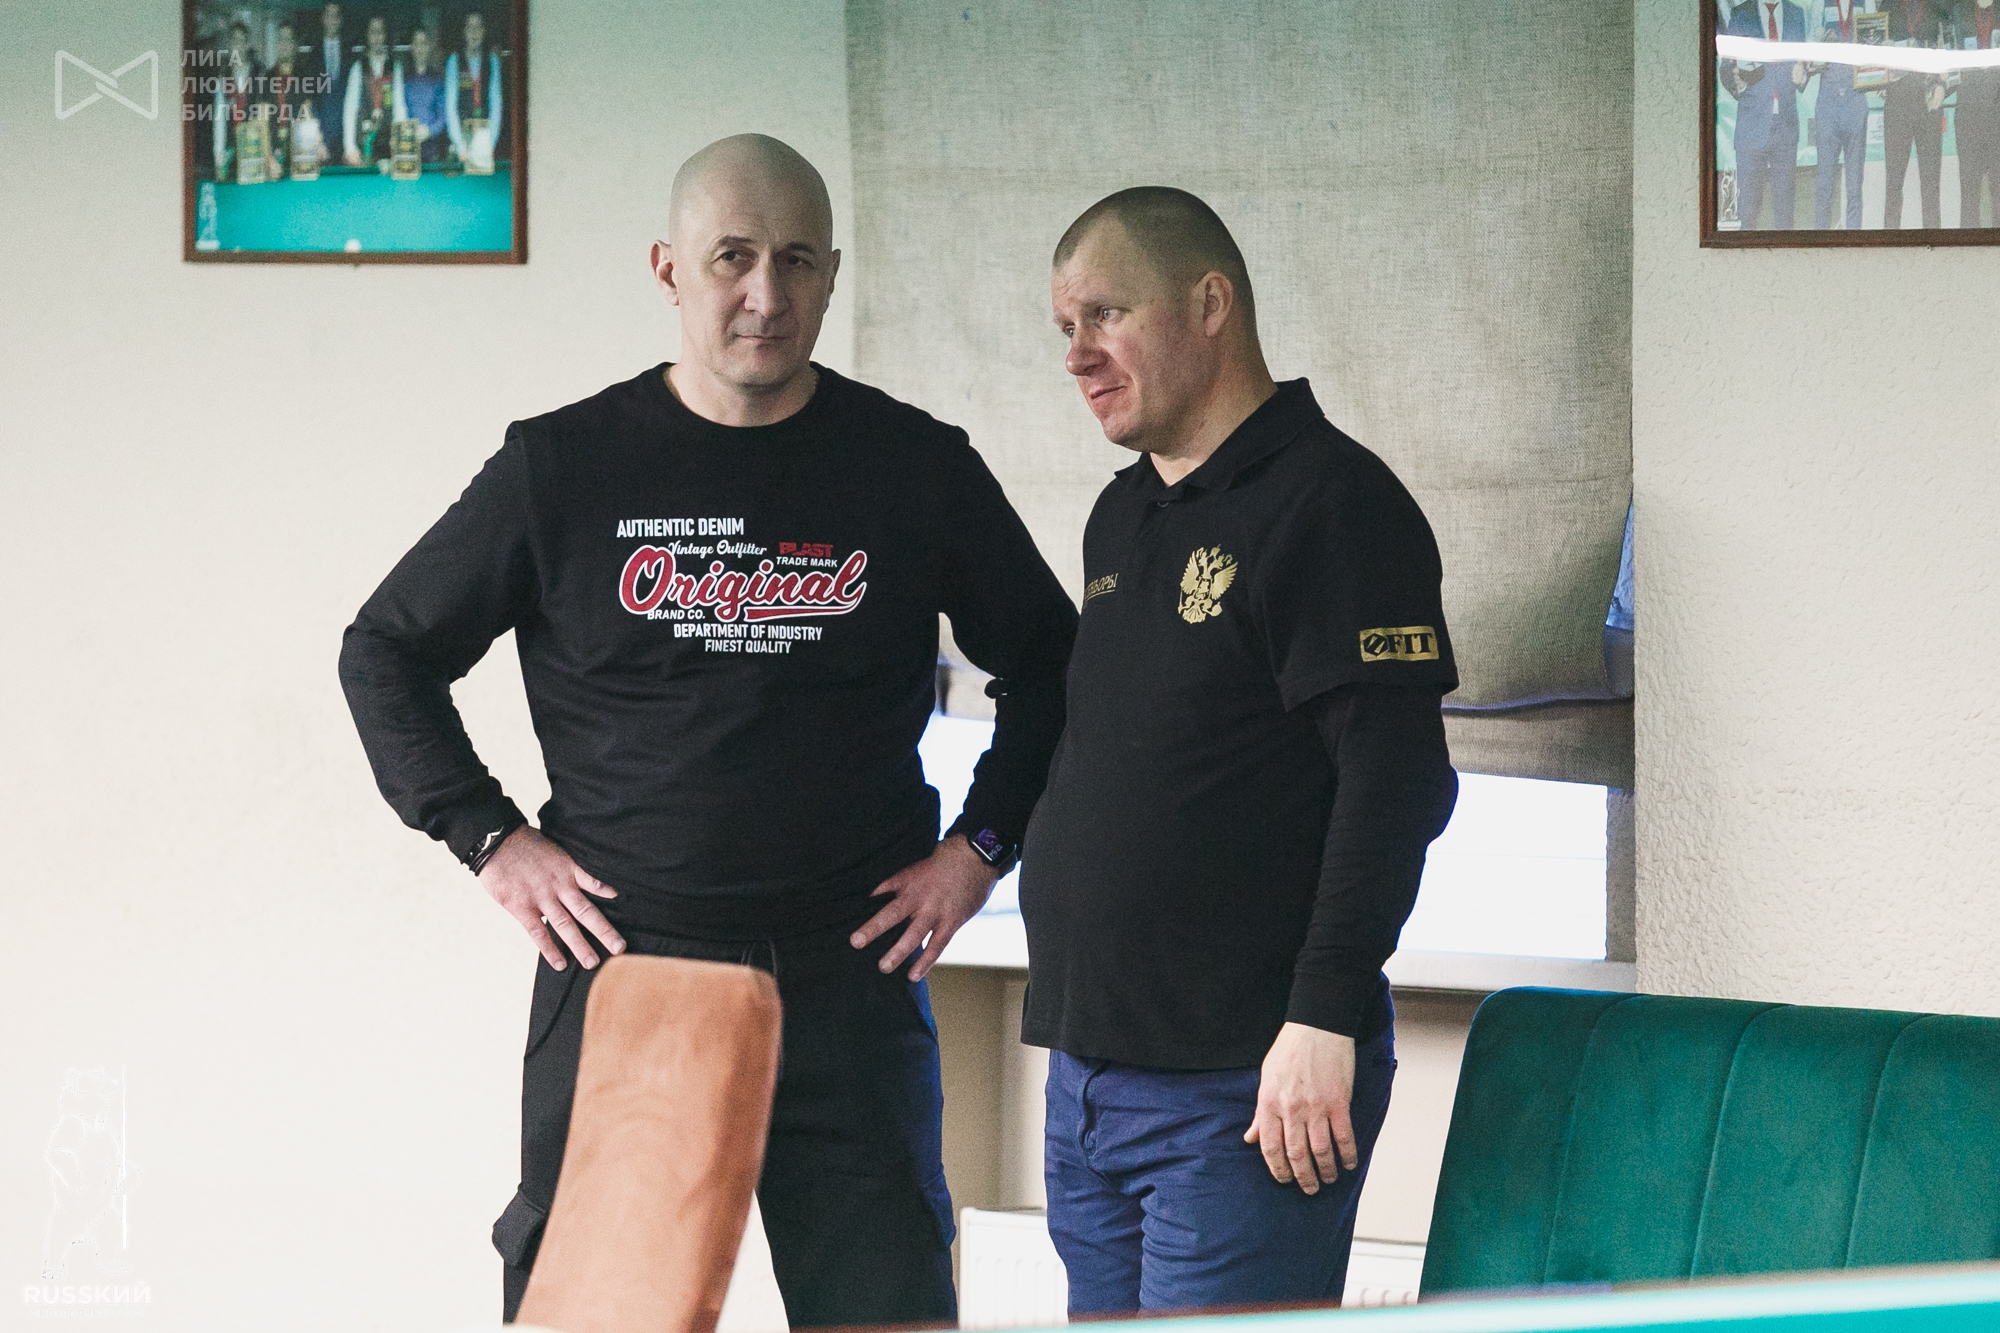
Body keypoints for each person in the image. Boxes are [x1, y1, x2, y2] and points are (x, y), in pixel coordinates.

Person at [338, 134, 1076, 1327]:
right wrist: (488, 837)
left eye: (797, 261)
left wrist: (982, 847)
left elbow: (1052, 663)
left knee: (882, 1308)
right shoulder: (561, 467)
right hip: (632, 963)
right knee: (601, 1311)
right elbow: (384, 650)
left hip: (850, 971)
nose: (765, 295)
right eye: (732, 257)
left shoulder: (912, 468)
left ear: (831, 276)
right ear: (668, 269)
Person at [1020, 187, 1459, 1314]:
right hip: (1088, 1079)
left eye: (1105, 315)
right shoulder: (1119, 518)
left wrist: (1322, 1014)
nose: (1076, 355)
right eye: (1064, 326)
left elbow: (1396, 780)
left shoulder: (1335, 505)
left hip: (1244, 1090)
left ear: (1210, 303)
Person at [1724, 0, 1810, 228]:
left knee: (1785, 213)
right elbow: (1726, 66)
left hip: (1786, 127)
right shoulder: (1741, 14)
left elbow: (1803, 62)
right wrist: (1736, 82)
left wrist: (1803, 75)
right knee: (1748, 213)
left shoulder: (1796, 14)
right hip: (1751, 127)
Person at [1881, 0, 1949, 227]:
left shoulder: (1938, 6)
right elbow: (1874, 45)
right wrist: (1877, 75)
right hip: (1897, 104)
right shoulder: (1887, 4)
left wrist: (1942, 84)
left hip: (1928, 103)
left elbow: (1946, 48)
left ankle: (1932, 241)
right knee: (1893, 183)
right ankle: (1889, 242)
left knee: (1931, 184)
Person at [1811, 0, 1871, 228]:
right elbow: (1811, 44)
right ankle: (1820, 240)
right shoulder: (1820, 3)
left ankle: (1854, 239)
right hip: (1828, 102)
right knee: (1824, 184)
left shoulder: (1866, 2)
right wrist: (1819, 46)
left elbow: (1875, 41)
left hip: (1856, 98)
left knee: (1854, 186)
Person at [1954, 0, 2000, 225]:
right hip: (1968, 113)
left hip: (1998, 114)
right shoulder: (1959, 10)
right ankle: (1967, 245)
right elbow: (1948, 56)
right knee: (1969, 192)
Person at [342, 15, 403, 168]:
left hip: (389, 146)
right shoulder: (358, 68)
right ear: (367, 36)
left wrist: (400, 142)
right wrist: (350, 147)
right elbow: (350, 110)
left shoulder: (394, 68)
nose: (376, 37)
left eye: (380, 32)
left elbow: (400, 108)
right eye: (373, 32)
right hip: (363, 146)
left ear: (385, 35)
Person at [445, 11, 504, 166]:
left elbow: (496, 105)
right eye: (470, 28)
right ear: (464, 32)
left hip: (486, 139)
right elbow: (450, 108)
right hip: (461, 138)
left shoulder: (493, 61)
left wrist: (489, 144)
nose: (474, 33)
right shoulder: (454, 61)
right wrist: (460, 146)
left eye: (478, 27)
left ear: (483, 31)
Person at [300, 3, 348, 164]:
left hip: (345, 131)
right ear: (323, 19)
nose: (332, 20)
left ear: (341, 20)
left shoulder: (349, 51)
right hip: (321, 133)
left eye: (336, 16)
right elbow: (309, 99)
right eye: (329, 15)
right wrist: (317, 137)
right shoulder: (313, 54)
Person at [401, 28, 448, 163]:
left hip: (433, 149)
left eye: (424, 43)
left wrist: (429, 131)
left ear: (429, 47)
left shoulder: (438, 80)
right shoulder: (403, 79)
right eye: (417, 44)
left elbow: (444, 116)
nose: (420, 48)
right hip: (407, 147)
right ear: (411, 48)